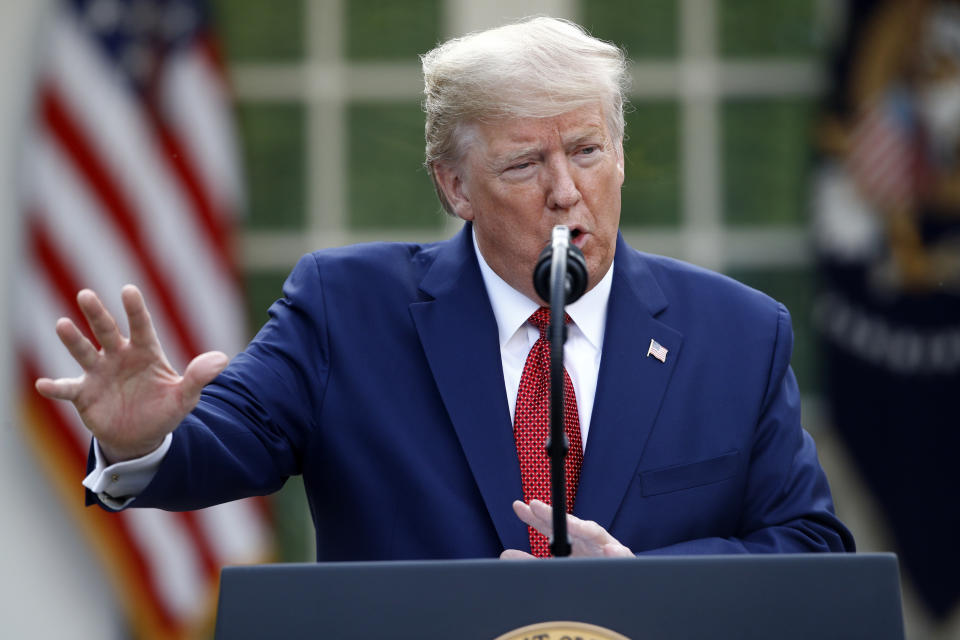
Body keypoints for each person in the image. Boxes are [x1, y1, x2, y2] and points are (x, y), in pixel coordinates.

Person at [35, 17, 854, 560]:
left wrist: (647, 581)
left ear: (622, 155)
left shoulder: (739, 332)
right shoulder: (345, 309)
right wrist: (142, 444)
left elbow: (812, 546)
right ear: (455, 187)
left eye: (587, 151)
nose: (565, 190)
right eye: (525, 164)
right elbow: (227, 447)